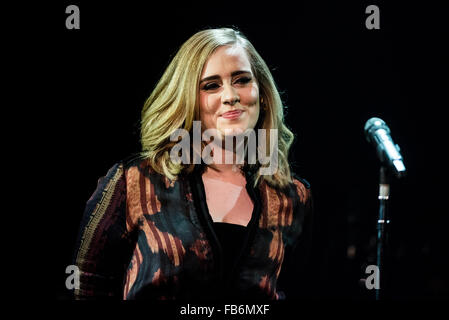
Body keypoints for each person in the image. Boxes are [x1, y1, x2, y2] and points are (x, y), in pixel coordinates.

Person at [72, 27, 313, 300]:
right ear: (187, 99)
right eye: (211, 85)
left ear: (262, 93)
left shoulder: (292, 196)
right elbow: (87, 285)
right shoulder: (135, 181)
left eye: (242, 80)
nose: (230, 95)